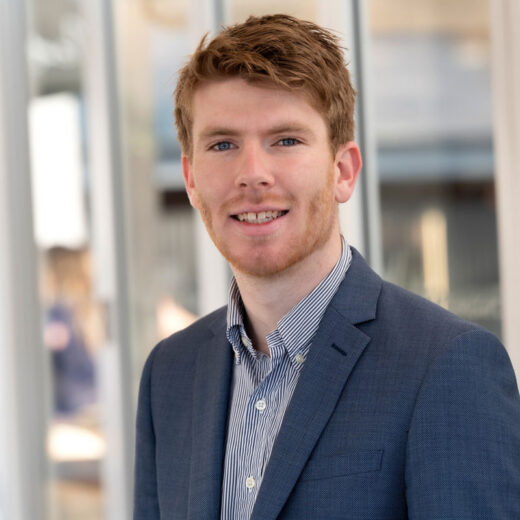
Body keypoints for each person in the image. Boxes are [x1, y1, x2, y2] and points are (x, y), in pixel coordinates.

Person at [134, 14, 520, 519]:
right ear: (190, 177)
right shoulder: (169, 374)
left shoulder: (447, 366)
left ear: (343, 171)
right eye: (223, 144)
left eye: (286, 140)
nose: (252, 174)